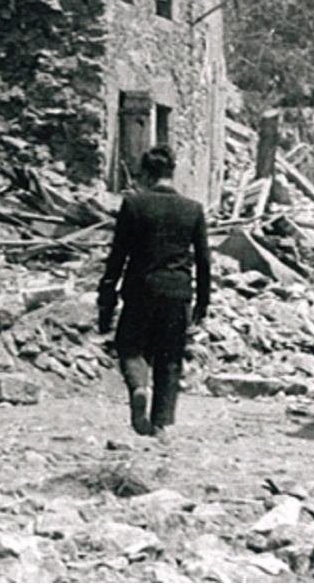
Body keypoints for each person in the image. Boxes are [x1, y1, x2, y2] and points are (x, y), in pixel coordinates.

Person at [97, 146, 210, 438]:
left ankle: (138, 387)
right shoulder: (193, 208)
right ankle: (161, 424)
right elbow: (203, 260)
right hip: (177, 292)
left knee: (130, 346)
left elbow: (117, 256)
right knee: (170, 357)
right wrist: (203, 302)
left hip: (140, 289)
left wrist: (106, 296)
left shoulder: (134, 205)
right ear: (173, 172)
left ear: (146, 174)